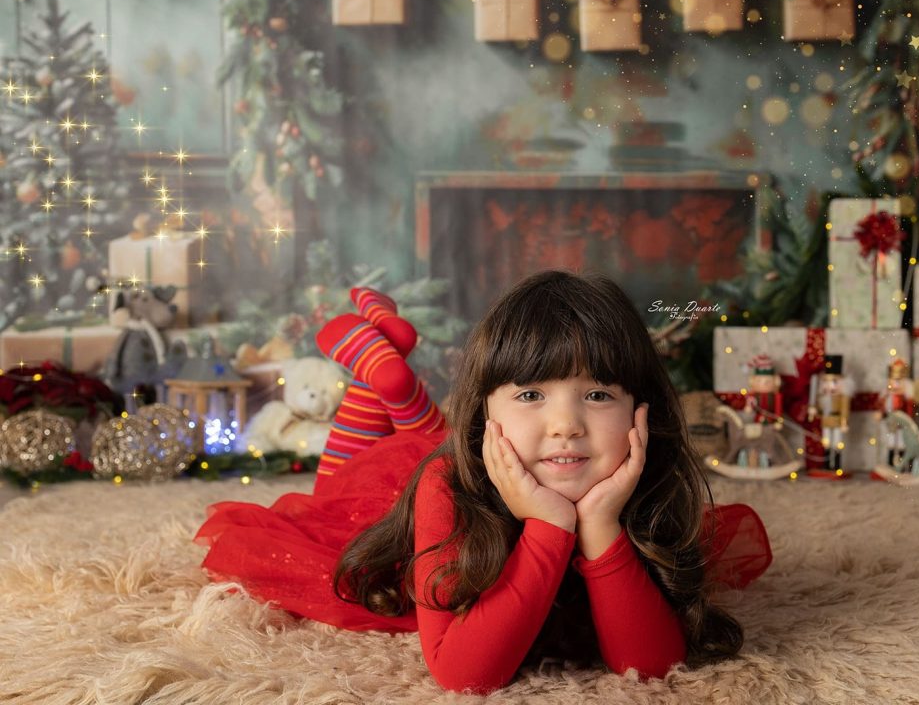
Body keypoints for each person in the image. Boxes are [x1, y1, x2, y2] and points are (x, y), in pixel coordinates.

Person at [195, 270, 772, 694]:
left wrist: (598, 524)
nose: (566, 426)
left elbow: (649, 670)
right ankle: (377, 380)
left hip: (540, 478)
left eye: (598, 395)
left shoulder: (648, 485)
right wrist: (549, 525)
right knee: (338, 492)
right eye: (530, 394)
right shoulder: (448, 487)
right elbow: (463, 675)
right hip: (413, 497)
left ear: (639, 412)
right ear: (486, 412)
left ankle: (392, 388)